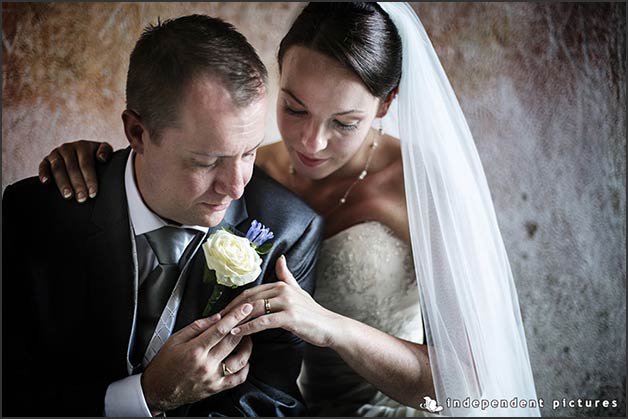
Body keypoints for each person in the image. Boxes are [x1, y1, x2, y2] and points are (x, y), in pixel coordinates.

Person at [36, 3, 540, 417]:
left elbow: (472, 387)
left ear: (386, 105)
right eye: (294, 108)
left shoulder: (422, 187)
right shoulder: (248, 180)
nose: (310, 142)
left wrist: (331, 325)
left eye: (344, 122)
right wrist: (100, 164)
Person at [3, 14, 324, 417]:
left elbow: (271, 400)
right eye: (207, 161)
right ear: (137, 133)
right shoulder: (34, 215)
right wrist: (144, 396)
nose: (237, 186)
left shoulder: (287, 230)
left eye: (249, 152)